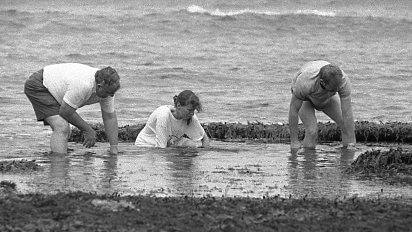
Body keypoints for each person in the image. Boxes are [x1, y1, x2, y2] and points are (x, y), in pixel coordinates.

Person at [24, 63, 120, 155]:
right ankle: (58, 164)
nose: (111, 96)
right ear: (100, 86)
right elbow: (65, 111)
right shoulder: (84, 85)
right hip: (40, 84)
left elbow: (109, 117)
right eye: (109, 92)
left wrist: (114, 147)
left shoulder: (108, 90)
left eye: (113, 93)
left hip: (57, 88)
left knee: (65, 129)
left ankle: (60, 159)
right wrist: (87, 130)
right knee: (61, 127)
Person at [288, 60, 356, 150]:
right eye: (333, 89)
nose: (337, 89)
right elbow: (293, 109)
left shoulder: (343, 81)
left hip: (327, 97)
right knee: (312, 131)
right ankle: (309, 162)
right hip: (306, 98)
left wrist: (352, 142)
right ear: (322, 82)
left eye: (337, 88)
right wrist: (294, 141)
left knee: (345, 125)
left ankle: (346, 160)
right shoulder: (305, 82)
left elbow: (347, 112)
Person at [135, 90, 210, 148]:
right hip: (146, 145)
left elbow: (205, 139)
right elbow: (161, 148)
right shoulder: (163, 115)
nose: (192, 113)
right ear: (178, 105)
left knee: (191, 145)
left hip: (168, 143)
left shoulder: (190, 117)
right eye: (189, 110)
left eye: (193, 110)